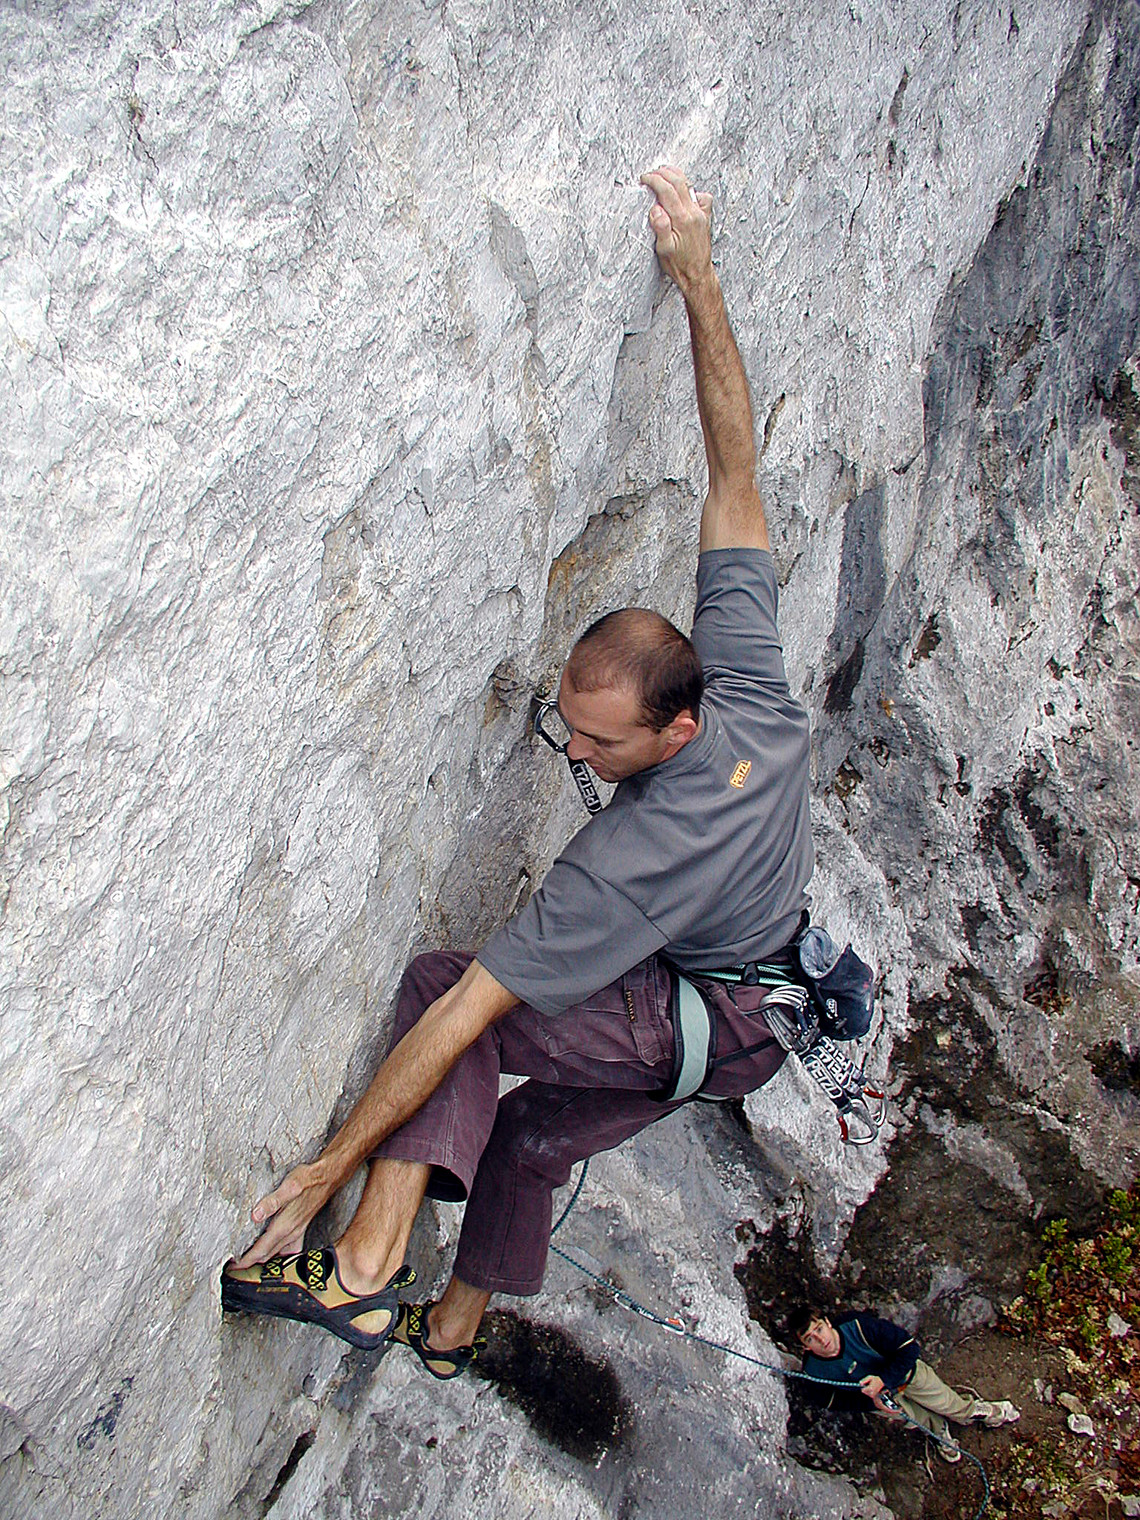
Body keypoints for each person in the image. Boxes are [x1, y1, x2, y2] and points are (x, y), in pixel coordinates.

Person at [222, 165, 815, 1379]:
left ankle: (362, 1272)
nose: (575, 753)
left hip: (705, 1008)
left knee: (452, 989)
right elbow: (735, 471)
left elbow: (463, 1012)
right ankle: (451, 1331)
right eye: (569, 722)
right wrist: (699, 279)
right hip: (767, 999)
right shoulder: (748, 679)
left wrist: (331, 1165)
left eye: (602, 744)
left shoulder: (630, 860)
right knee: (533, 1133)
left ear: (677, 733)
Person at [790, 1307, 1021, 1463]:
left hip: (907, 1376)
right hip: (881, 1399)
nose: (821, 1339)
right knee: (915, 1419)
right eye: (810, 1338)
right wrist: (871, 1403)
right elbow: (830, 1400)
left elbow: (909, 1348)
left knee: (948, 1403)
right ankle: (939, 1430)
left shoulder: (860, 1327)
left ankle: (977, 1411)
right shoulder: (814, 1370)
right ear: (806, 1347)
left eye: (819, 1329)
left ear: (828, 1323)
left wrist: (884, 1380)